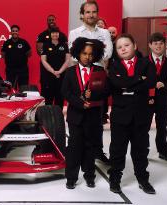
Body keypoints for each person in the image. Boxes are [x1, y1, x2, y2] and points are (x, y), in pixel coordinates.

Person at [108, 34, 156, 194]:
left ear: (135, 46)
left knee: (141, 150)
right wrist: (138, 79)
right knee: (117, 150)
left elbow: (150, 82)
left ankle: (143, 179)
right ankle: (115, 179)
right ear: (116, 51)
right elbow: (116, 83)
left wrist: (127, 83)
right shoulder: (114, 66)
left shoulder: (146, 63)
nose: (123, 49)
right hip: (120, 116)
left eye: (126, 45)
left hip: (141, 116)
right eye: (119, 47)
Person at [68, 0, 112, 164]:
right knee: (79, 117)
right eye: (88, 12)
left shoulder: (105, 33)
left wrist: (89, 56)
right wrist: (94, 54)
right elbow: (73, 55)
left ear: (97, 14)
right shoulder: (74, 33)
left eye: (94, 12)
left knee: (98, 118)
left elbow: (107, 54)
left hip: (98, 78)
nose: (91, 15)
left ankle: (98, 151)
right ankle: (78, 152)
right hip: (80, 78)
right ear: (82, 14)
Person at [62, 37, 106, 189]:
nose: (87, 57)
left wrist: (92, 96)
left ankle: (90, 176)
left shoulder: (99, 71)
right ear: (77, 53)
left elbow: (105, 92)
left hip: (93, 116)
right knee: (74, 148)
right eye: (84, 53)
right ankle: (71, 177)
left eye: (91, 54)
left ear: (95, 55)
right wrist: (81, 103)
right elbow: (65, 92)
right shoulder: (69, 72)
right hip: (76, 117)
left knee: (90, 147)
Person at [147, 32, 167, 161]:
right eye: (155, 43)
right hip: (146, 98)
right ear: (150, 45)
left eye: (161, 43)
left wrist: (165, 84)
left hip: (162, 99)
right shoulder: (143, 61)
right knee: (144, 126)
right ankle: (142, 151)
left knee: (162, 126)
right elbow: (139, 79)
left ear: (164, 45)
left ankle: (163, 151)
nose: (158, 46)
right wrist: (151, 84)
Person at [40, 28, 70, 107]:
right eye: (53, 33)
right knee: (48, 97)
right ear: (50, 34)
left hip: (62, 75)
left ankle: (59, 115)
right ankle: (48, 116)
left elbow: (67, 60)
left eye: (56, 33)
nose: (55, 34)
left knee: (60, 96)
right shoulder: (46, 45)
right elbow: (43, 60)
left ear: (59, 34)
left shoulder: (64, 45)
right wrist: (53, 71)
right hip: (49, 75)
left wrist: (60, 71)